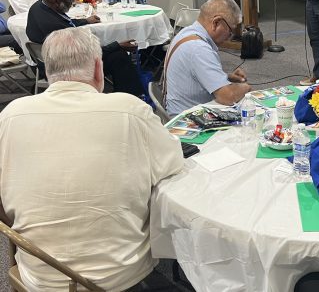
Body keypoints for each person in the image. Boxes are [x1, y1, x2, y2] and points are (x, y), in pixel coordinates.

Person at [0, 27, 184, 291]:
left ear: (49, 70)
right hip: (120, 278)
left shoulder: (11, 114)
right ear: (99, 69)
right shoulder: (130, 109)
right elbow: (173, 166)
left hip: (40, 275)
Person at [26, 0, 144, 96]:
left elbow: (63, 20)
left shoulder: (38, 7)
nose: (72, 2)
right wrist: (117, 45)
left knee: (115, 52)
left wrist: (85, 21)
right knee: (119, 56)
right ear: (57, 2)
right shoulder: (56, 27)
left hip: (47, 63)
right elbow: (83, 54)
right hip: (67, 69)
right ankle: (131, 97)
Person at [165, 0, 251, 116]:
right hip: (187, 120)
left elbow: (194, 75)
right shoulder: (199, 48)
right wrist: (246, 88)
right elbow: (227, 97)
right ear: (216, 23)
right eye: (230, 31)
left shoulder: (185, 32)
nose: (229, 37)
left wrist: (226, 77)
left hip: (179, 110)